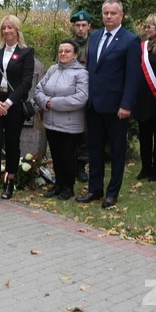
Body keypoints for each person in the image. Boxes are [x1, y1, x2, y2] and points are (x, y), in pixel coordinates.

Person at [76, 0, 141, 208]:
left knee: (116, 151)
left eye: (113, 13)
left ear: (121, 16)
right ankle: (95, 189)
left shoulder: (130, 40)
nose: (109, 16)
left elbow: (133, 76)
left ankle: (112, 192)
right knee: (94, 150)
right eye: (106, 13)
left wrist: (126, 104)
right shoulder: (94, 37)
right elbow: (90, 70)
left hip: (116, 107)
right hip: (94, 104)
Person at [0, 15, 36, 202]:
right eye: (4, 28)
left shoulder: (26, 52)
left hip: (13, 106)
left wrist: (9, 103)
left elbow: (26, 82)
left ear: (17, 30)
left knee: (12, 144)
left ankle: (10, 181)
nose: (6, 31)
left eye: (10, 28)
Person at [35, 39, 88, 200]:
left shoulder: (81, 73)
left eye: (67, 51)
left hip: (70, 124)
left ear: (75, 54)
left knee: (67, 157)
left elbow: (81, 98)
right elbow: (39, 89)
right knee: (56, 157)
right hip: (51, 122)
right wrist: (45, 101)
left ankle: (68, 187)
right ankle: (58, 184)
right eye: (60, 51)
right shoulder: (52, 70)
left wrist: (52, 103)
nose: (63, 54)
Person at [134, 15, 156, 182]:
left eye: (150, 26)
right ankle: (145, 167)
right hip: (143, 98)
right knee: (145, 134)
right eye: (146, 26)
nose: (147, 29)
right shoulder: (142, 47)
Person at [70, 9, 93, 182]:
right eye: (77, 25)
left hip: (89, 94)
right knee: (71, 131)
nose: (80, 29)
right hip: (70, 94)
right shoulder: (68, 46)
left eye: (84, 25)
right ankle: (69, 163)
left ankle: (80, 167)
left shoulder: (95, 44)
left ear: (89, 26)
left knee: (85, 133)